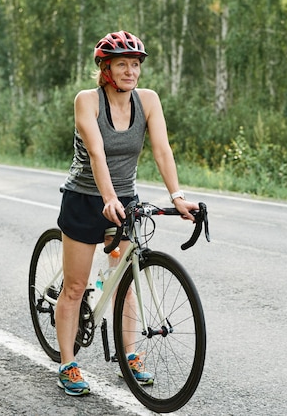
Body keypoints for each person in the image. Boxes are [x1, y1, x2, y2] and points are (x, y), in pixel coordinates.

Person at [55, 30, 199, 396]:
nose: (130, 71)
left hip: (125, 200)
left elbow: (162, 150)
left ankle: (129, 355)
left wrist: (178, 196)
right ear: (105, 68)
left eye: (135, 64)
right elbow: (97, 154)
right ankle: (67, 363)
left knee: (125, 282)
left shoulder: (148, 101)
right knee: (74, 286)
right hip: (86, 200)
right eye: (122, 64)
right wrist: (107, 197)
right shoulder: (87, 101)